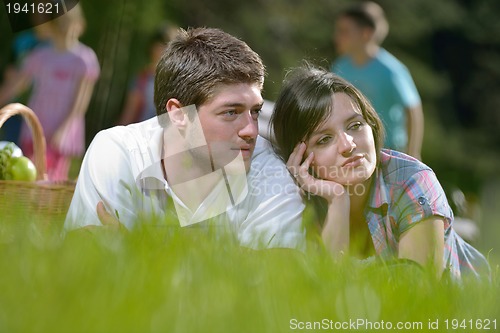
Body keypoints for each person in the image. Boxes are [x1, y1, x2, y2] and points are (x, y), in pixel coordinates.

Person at [64, 28, 305, 251]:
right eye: (231, 112)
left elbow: (279, 273)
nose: (251, 131)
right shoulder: (117, 152)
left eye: (254, 111)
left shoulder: (268, 167)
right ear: (178, 114)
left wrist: (137, 248)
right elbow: (87, 260)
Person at [270, 65, 490, 280]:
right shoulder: (296, 203)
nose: (348, 145)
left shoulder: (411, 181)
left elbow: (418, 296)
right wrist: (338, 201)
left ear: (371, 125)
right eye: (324, 139)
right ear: (300, 157)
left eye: (355, 125)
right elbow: (325, 292)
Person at [0, 4, 100, 181]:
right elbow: (16, 85)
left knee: (53, 180)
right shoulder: (40, 55)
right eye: (60, 23)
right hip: (35, 127)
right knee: (30, 176)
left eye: (67, 22)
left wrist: (64, 129)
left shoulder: (84, 59)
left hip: (61, 133)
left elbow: (79, 105)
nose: (64, 28)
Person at [331, 1, 424, 159]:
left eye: (344, 31)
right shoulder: (339, 67)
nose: (337, 37)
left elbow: (413, 110)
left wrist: (413, 152)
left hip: (388, 151)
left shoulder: (391, 70)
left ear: (365, 34)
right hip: (353, 147)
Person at [118, 24, 178, 125]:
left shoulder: (181, 81)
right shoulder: (142, 79)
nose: (161, 49)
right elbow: (129, 114)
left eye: (166, 45)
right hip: (144, 135)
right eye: (159, 44)